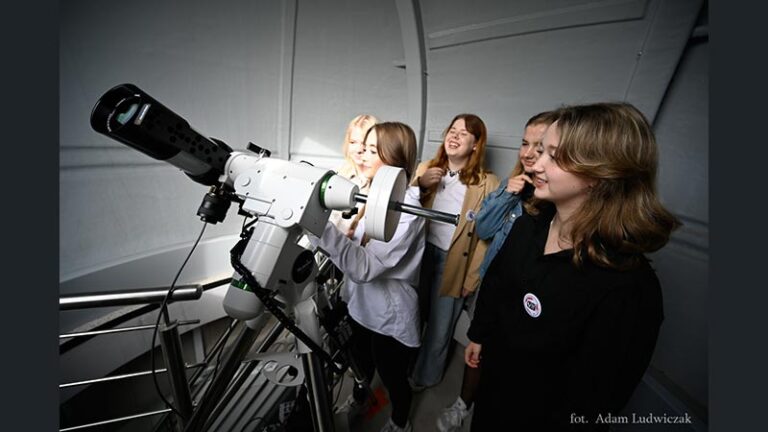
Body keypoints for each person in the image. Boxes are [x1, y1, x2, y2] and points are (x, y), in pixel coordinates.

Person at [465, 102, 681, 431]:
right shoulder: (528, 225)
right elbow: (496, 284)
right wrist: (479, 334)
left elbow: (594, 401)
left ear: (600, 173)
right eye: (540, 150)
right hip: (494, 394)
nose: (535, 164)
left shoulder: (628, 289)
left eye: (554, 155)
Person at [436, 110, 557, 432]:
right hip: (493, 286)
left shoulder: (556, 200)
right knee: (476, 349)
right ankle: (463, 403)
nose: (529, 154)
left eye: (540, 147)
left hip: (525, 298)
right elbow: (485, 229)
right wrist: (507, 194)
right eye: (524, 143)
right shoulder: (509, 186)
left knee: (510, 363)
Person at [311, 122, 423, 432]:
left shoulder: (407, 208)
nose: (362, 154)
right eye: (363, 147)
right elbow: (356, 246)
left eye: (373, 150)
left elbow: (365, 267)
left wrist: (320, 227)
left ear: (395, 157)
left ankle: (401, 423)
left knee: (391, 375)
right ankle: (361, 398)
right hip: (359, 304)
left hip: (389, 312)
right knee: (360, 363)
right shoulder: (374, 192)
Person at [410, 114, 499, 390]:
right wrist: (421, 185)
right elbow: (404, 211)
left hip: (452, 264)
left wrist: (471, 279)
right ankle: (405, 365)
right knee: (410, 317)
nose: (455, 135)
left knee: (439, 329)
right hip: (418, 255)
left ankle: (425, 377)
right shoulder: (426, 168)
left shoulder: (488, 183)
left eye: (464, 133)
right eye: (452, 129)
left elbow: (486, 240)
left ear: (476, 144)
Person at [329, 114, 379, 237]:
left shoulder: (379, 184)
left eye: (364, 143)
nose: (358, 149)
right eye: (353, 142)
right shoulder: (338, 174)